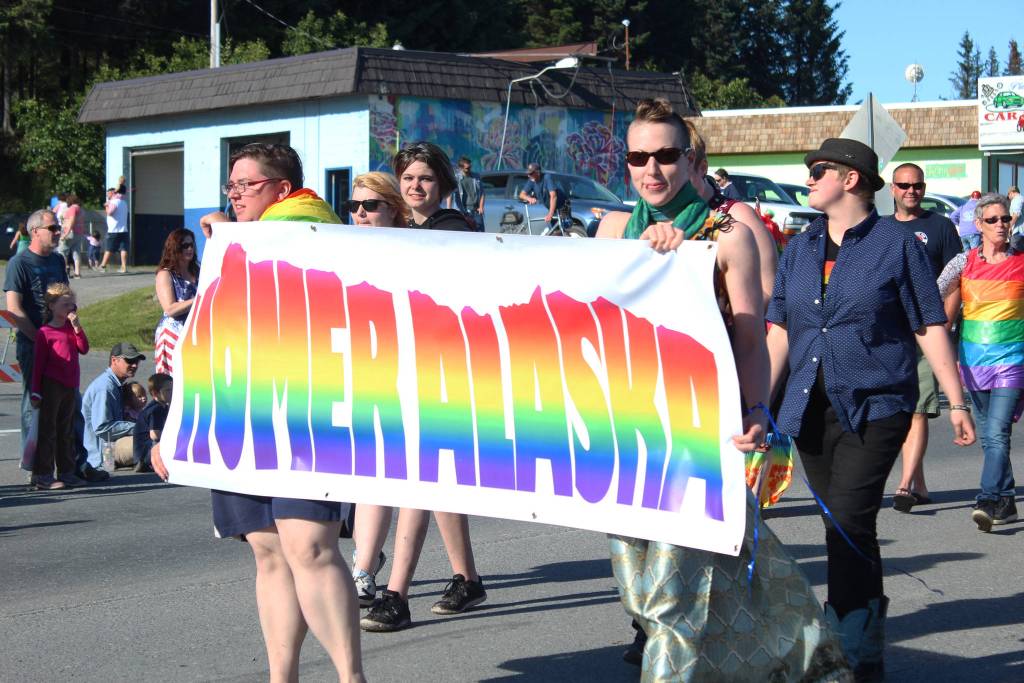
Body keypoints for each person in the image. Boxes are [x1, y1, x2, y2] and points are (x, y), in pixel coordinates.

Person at [597, 99, 849, 681]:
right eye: (639, 156)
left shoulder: (729, 232)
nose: (652, 169)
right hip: (627, 431)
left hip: (700, 427)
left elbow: (750, 336)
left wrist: (758, 410)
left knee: (669, 595)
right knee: (641, 588)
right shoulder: (611, 229)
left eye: (665, 155)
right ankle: (796, 652)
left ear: (690, 160)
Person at [766, 137, 975, 680]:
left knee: (849, 520)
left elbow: (927, 322)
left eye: (817, 171)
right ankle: (865, 646)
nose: (809, 179)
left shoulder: (895, 244)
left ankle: (844, 650)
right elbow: (779, 332)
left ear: (851, 178)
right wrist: (755, 402)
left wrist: (956, 401)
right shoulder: (801, 247)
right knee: (844, 526)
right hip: (809, 407)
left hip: (877, 404)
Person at [163, 142, 366, 682]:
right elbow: (205, 336)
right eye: (230, 186)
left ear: (281, 189)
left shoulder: (306, 225)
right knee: (268, 551)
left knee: (310, 547)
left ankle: (351, 676)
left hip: (305, 410)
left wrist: (231, 238)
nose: (234, 195)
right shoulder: (234, 245)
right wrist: (177, 426)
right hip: (241, 410)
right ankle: (283, 677)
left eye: (246, 185)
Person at [358, 143, 485, 634]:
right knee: (436, 482)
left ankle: (397, 593)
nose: (415, 186)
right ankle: (467, 578)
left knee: (416, 478)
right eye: (407, 177)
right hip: (400, 369)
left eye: (425, 178)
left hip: (441, 371)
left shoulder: (449, 228)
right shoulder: (398, 229)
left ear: (444, 185)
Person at [937, 193, 1023, 532]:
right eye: (992, 220)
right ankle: (1007, 500)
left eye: (1005, 219)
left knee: (998, 432)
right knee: (990, 437)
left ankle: (987, 498)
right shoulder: (963, 263)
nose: (1000, 225)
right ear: (979, 225)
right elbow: (934, 292)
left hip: (1014, 361)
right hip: (973, 361)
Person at [888, 163, 962, 513]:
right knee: (901, 409)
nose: (910, 191)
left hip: (925, 332)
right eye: (904, 185)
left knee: (918, 409)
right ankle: (918, 483)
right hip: (888, 335)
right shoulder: (880, 229)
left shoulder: (940, 226)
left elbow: (956, 279)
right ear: (892, 188)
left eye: (917, 185)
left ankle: (903, 486)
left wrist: (943, 326)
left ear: (924, 187)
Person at [685, 119, 778, 311]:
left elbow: (770, 292)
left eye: (682, 172)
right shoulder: (648, 218)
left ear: (702, 168)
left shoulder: (737, 215)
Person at [4, 210, 71, 469]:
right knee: (34, 401)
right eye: (52, 228)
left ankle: (70, 464)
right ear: (35, 231)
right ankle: (34, 467)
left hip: (62, 346)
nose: (57, 232)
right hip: (33, 345)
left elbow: (67, 299)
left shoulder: (57, 260)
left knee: (66, 403)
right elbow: (14, 308)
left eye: (58, 227)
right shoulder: (19, 263)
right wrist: (40, 339)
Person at [28, 282, 89, 490]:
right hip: (51, 385)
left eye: (72, 305)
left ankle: (67, 471)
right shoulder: (45, 332)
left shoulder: (71, 329)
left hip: (70, 385)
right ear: (52, 306)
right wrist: (36, 390)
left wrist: (77, 327)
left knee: (67, 430)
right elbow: (38, 365)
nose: (70, 309)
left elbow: (84, 348)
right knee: (48, 430)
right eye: (65, 305)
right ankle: (43, 474)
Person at [81, 342, 141, 475]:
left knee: (154, 438)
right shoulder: (105, 387)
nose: (135, 365)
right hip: (102, 457)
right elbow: (102, 428)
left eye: (136, 361)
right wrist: (137, 427)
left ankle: (142, 460)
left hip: (109, 448)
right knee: (151, 442)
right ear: (114, 360)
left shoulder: (115, 384)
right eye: (129, 360)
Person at [153, 228, 199, 375]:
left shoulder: (197, 271)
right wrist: (198, 299)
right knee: (172, 383)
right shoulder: (165, 274)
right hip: (173, 333)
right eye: (184, 246)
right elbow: (170, 309)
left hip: (194, 332)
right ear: (174, 248)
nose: (190, 249)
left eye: (191, 245)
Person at [132, 372, 171, 473]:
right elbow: (154, 435)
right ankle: (150, 463)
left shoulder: (163, 406)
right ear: (155, 393)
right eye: (168, 391)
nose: (172, 393)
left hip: (144, 451)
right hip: (145, 453)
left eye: (173, 390)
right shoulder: (156, 409)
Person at [518, 162, 567, 230]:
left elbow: (553, 196)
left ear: (538, 172)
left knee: (566, 227)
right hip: (551, 208)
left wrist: (550, 213)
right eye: (528, 173)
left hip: (562, 206)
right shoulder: (531, 181)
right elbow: (521, 195)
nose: (529, 176)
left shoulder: (547, 177)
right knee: (555, 230)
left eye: (531, 173)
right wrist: (529, 199)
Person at [101, 187, 129, 273]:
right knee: (123, 248)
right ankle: (124, 267)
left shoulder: (113, 202)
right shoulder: (124, 202)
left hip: (113, 230)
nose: (107, 195)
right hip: (123, 229)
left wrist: (106, 206)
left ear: (113, 193)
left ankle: (103, 266)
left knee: (109, 248)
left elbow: (110, 213)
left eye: (108, 193)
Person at [453, 156, 485, 231]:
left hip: (476, 210)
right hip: (463, 211)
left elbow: (482, 192)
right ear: (461, 168)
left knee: (479, 233)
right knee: (465, 233)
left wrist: (481, 207)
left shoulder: (476, 177)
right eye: (467, 168)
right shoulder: (456, 179)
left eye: (470, 167)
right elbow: (451, 194)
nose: (469, 169)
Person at [59, 193, 86, 278]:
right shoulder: (81, 210)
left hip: (70, 233)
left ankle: (64, 271)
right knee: (76, 252)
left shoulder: (72, 208)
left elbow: (72, 221)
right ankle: (77, 273)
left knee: (62, 251)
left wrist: (65, 233)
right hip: (79, 233)